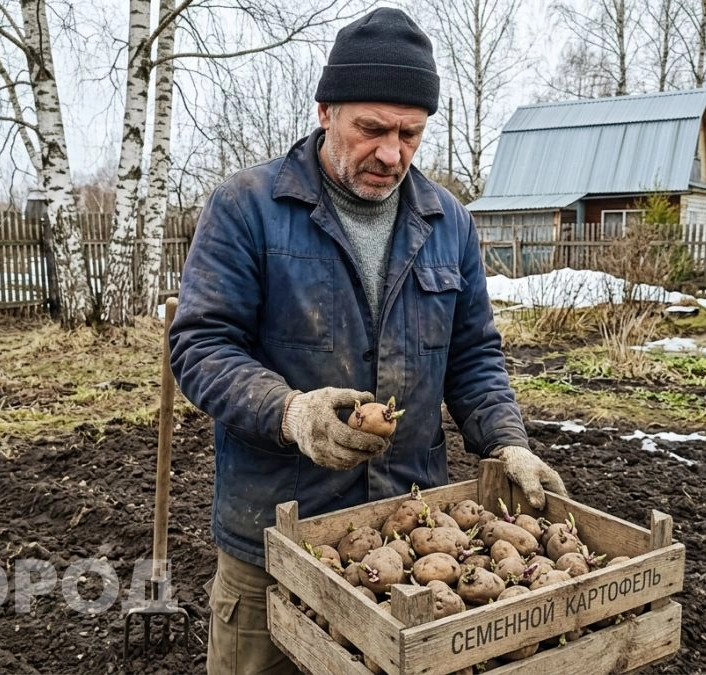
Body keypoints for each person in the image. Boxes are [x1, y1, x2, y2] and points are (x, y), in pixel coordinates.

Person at [167, 7, 567, 674]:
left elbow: (473, 354)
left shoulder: (449, 224)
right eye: (373, 129)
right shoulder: (247, 206)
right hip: (274, 537)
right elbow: (203, 345)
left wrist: (509, 442)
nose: (392, 153)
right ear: (326, 112)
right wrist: (291, 412)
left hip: (406, 540)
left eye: (411, 133)